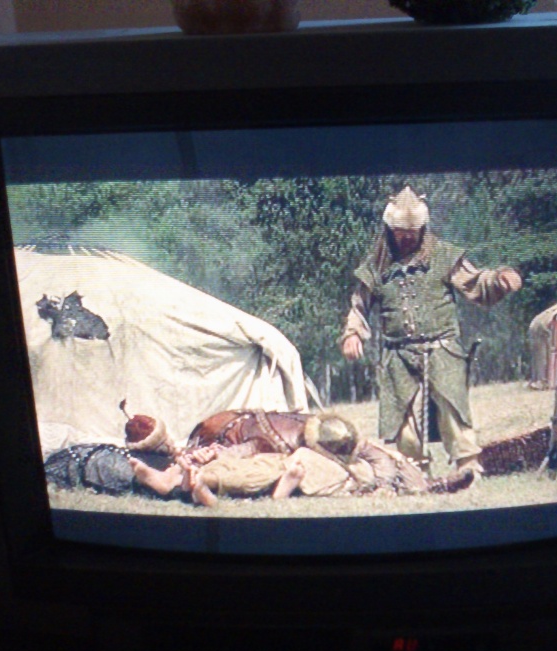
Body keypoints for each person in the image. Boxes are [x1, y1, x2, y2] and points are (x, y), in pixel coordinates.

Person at [340, 186, 523, 474]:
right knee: (404, 423)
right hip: (399, 357)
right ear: (389, 230)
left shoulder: (443, 256)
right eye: (400, 232)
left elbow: (475, 282)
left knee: (454, 412)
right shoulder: (376, 266)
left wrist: (498, 279)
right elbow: (359, 305)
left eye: (412, 232)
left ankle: (468, 469)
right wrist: (352, 333)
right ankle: (414, 475)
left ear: (422, 229)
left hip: (443, 350)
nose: (406, 237)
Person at [128, 412, 475, 507]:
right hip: (294, 464)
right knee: (257, 467)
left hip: (339, 475)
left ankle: (431, 486)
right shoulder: (307, 439)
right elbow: (248, 453)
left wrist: (383, 485)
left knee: (396, 461)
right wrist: (210, 455)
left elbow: (381, 460)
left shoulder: (350, 444)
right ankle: (173, 480)